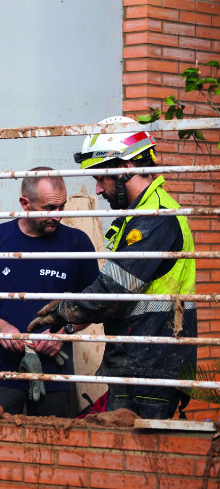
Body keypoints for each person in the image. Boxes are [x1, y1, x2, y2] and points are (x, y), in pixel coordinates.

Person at [29, 116, 197, 420]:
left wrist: (64, 311)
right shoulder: (142, 216)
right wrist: (69, 322)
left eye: (100, 177)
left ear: (125, 169)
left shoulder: (155, 217)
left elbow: (114, 289)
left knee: (134, 457)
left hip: (151, 361)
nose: (97, 190)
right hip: (140, 356)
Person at [0, 168, 99, 417]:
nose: (57, 216)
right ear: (25, 203)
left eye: (61, 207)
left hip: (54, 374)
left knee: (51, 447)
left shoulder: (78, 243)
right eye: (49, 208)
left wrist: (63, 334)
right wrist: (1, 327)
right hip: (3, 372)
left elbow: (93, 306)